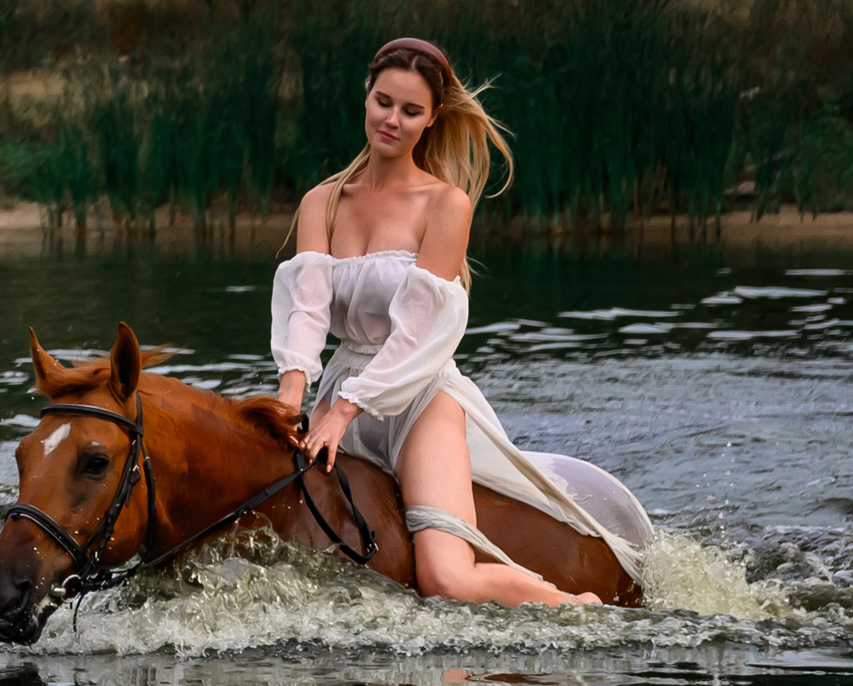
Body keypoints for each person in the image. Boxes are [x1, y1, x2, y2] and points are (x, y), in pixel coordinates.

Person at [270, 38, 650, 606]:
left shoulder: (446, 205)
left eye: (411, 111)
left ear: (433, 119)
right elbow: (305, 312)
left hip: (418, 396)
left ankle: (581, 612)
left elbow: (421, 331)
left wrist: (348, 408)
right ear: (366, 97)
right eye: (383, 102)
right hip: (341, 383)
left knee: (445, 579)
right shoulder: (321, 203)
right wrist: (289, 398)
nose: (392, 120)